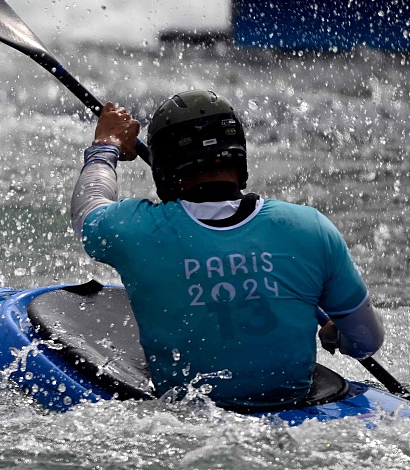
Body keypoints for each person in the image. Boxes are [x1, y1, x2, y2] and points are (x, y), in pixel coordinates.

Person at [69, 90, 385, 410]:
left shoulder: (139, 230)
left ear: (164, 167)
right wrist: (338, 335)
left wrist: (105, 146)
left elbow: (88, 211)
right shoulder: (310, 227)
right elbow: (366, 341)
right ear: (239, 157)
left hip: (188, 419)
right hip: (295, 409)